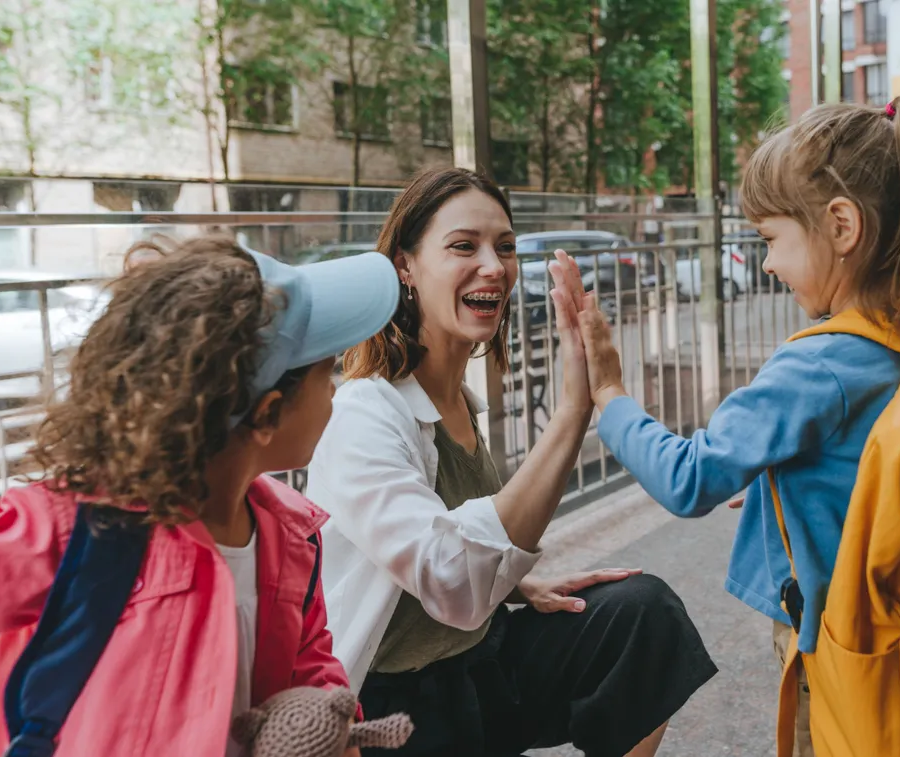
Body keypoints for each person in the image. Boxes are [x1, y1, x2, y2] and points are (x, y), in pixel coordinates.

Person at [563, 97, 900, 757]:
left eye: (770, 239)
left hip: (838, 640)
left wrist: (609, 393)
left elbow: (689, 478)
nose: (769, 263)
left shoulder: (814, 363)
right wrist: (773, 481)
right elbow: (869, 466)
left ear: (840, 225)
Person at [306, 167, 716, 757]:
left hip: (477, 665)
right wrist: (576, 408)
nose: (494, 267)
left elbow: (446, 538)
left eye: (505, 247)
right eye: (463, 246)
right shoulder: (365, 412)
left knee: (640, 615)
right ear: (405, 266)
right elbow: (444, 575)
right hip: (393, 707)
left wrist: (518, 585)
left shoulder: (460, 402)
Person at [0, 236, 401, 756]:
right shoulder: (73, 530)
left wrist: (329, 718)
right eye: (329, 374)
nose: (337, 392)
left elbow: (310, 663)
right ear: (268, 414)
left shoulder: (292, 537)